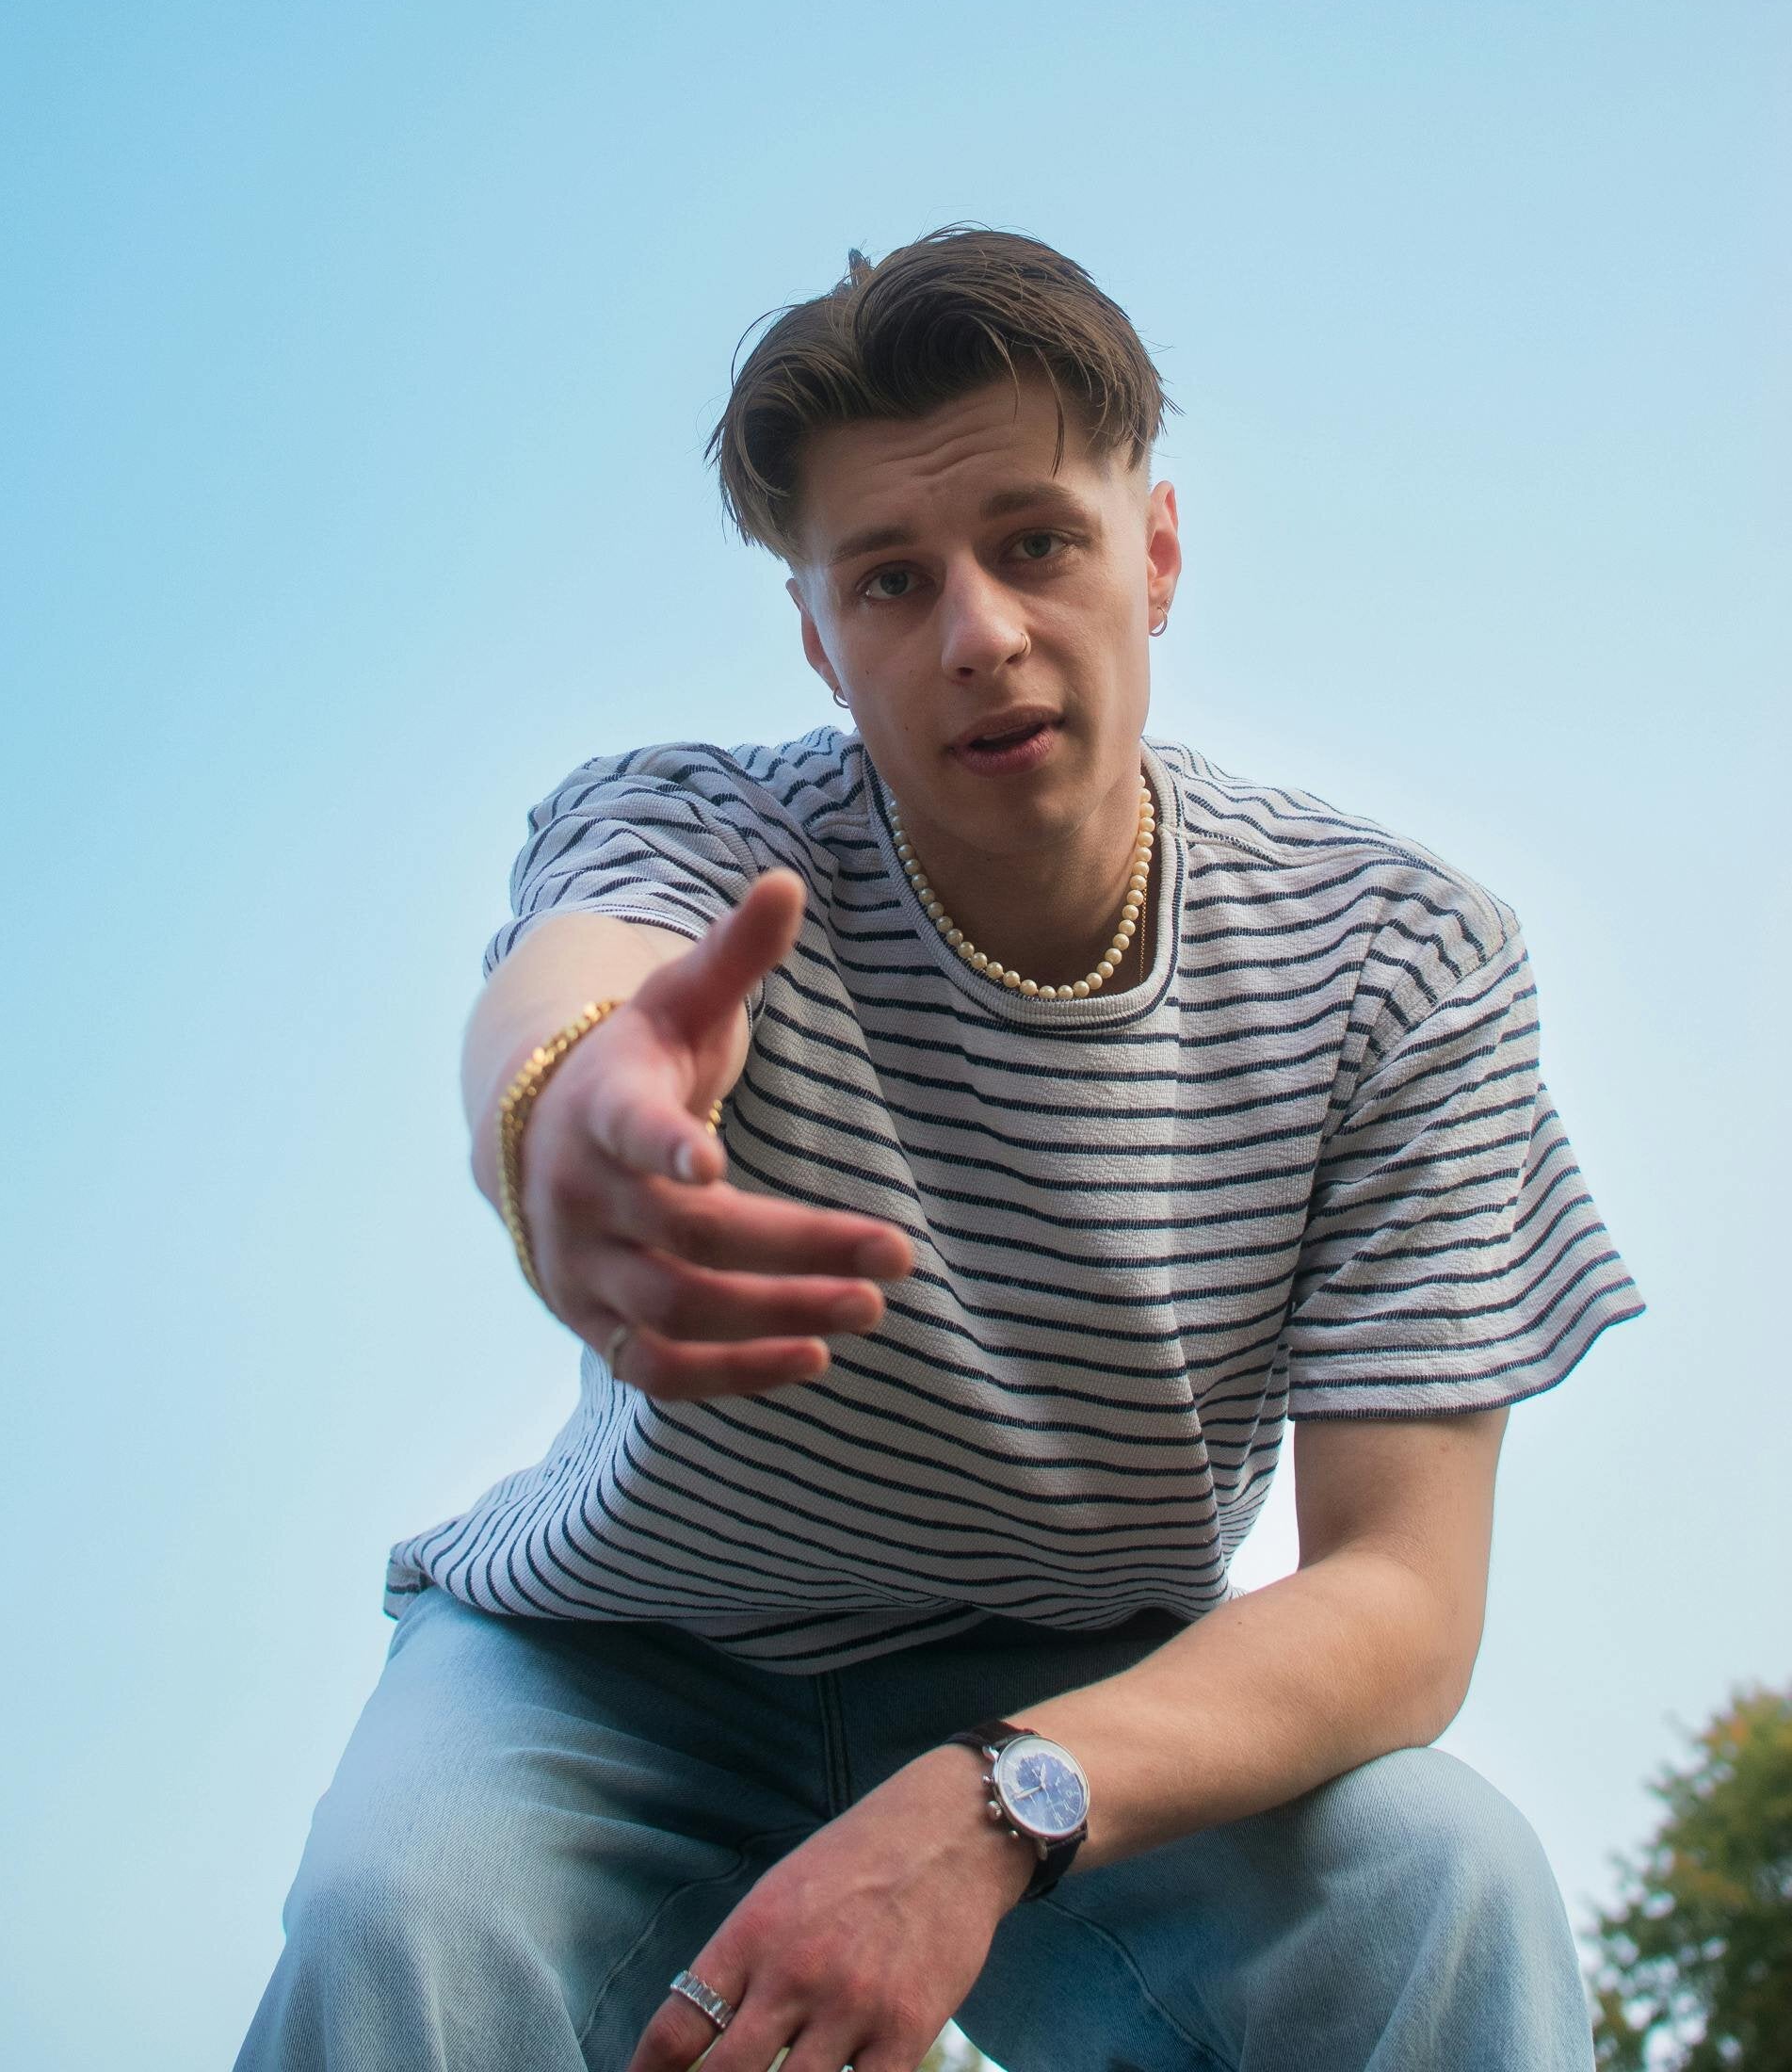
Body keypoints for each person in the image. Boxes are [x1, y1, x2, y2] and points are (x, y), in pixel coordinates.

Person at [237, 228, 1642, 2072]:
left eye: (1036, 542)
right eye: (891, 580)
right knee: (392, 1920)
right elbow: (584, 972)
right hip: (616, 1664)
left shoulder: (1397, 963)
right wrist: (565, 1106)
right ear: (819, 640)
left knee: (1443, 1891)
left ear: (1155, 553)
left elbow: (1403, 1596)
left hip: (1084, 1675)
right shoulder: (712, 830)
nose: (977, 633)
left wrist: (993, 1802)